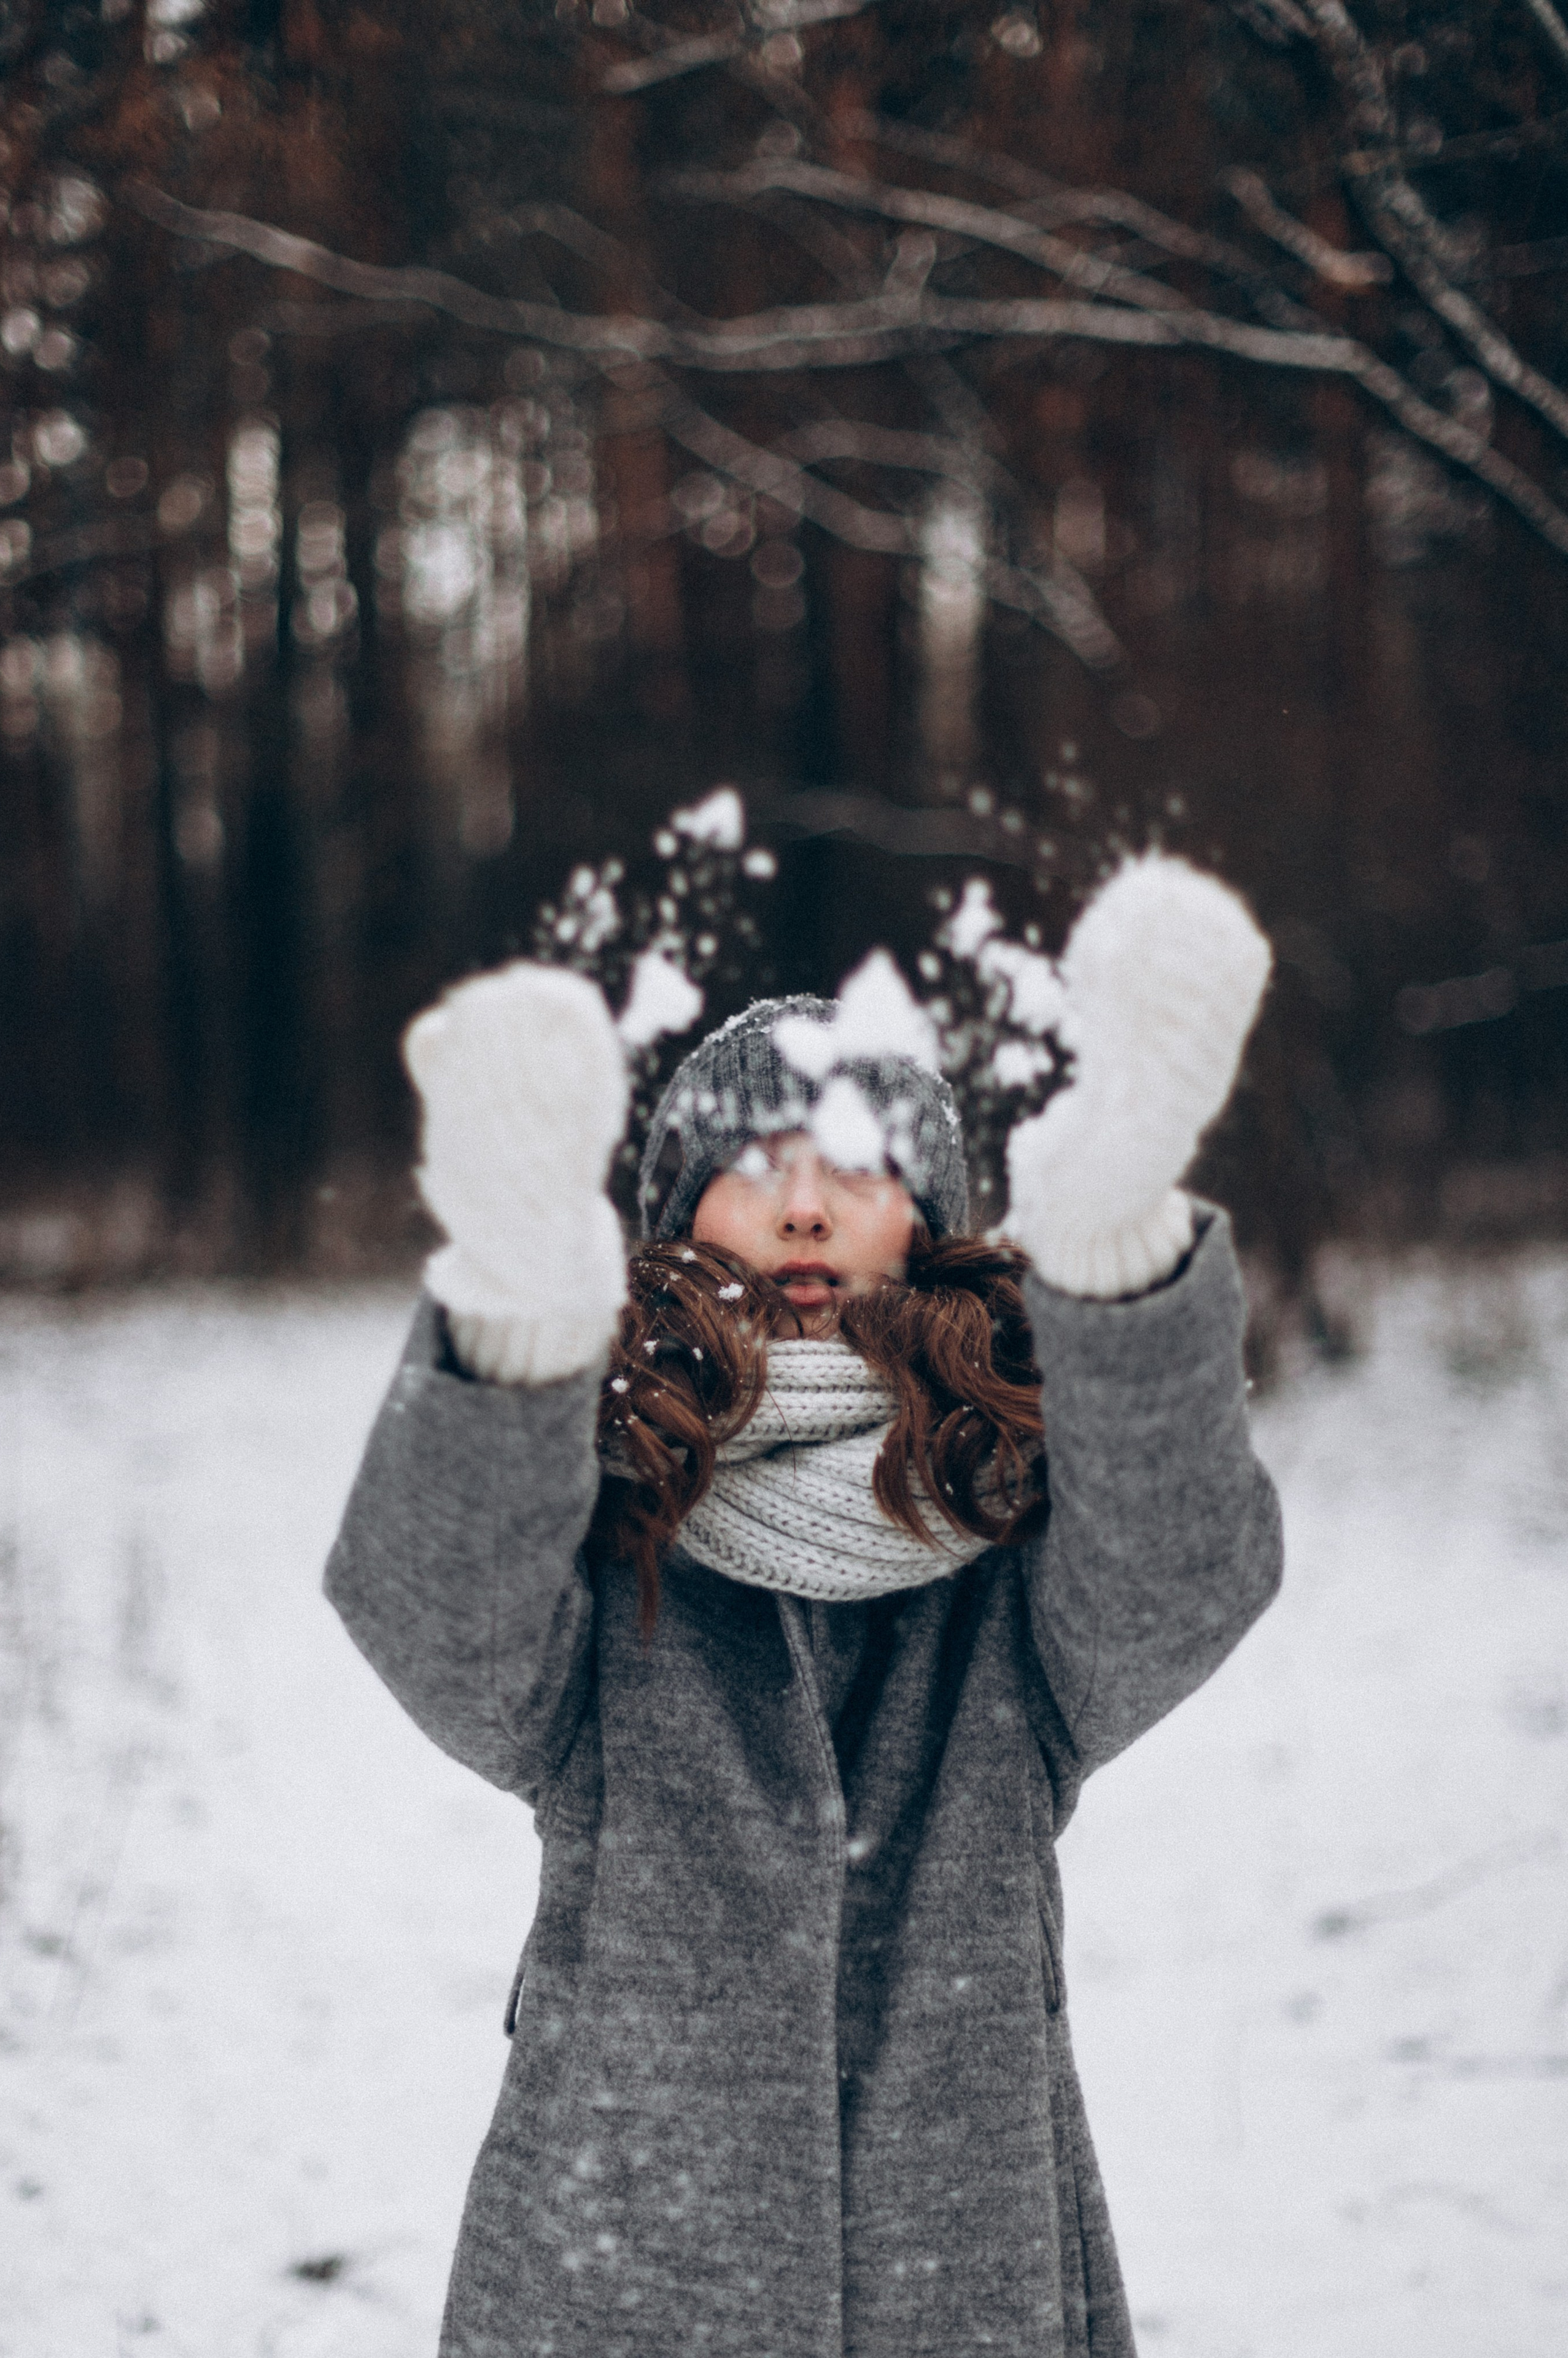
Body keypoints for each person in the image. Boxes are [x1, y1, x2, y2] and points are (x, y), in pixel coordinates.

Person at [325, 851, 1284, 2358]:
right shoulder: (596, 1508)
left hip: (956, 2254)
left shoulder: (1010, 1529)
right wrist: (516, 1305)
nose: (807, 1208)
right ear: (673, 1211)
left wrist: (1113, 1249)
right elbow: (442, 1627)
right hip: (622, 2255)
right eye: (754, 1163)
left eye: (856, 1163)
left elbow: (1178, 1577)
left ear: (931, 1218)